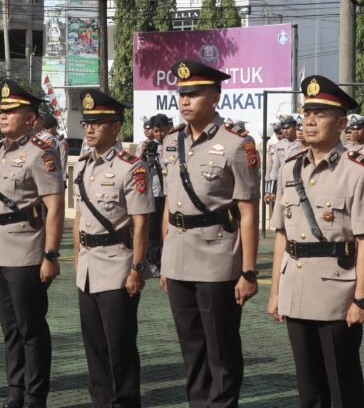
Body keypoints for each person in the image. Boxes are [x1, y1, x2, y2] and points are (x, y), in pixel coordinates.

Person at [267, 75, 364, 408]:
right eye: (307, 114)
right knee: (309, 390)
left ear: (342, 123)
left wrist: (361, 299)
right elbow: (281, 237)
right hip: (296, 288)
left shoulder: (360, 170)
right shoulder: (291, 168)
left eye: (321, 114)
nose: (311, 121)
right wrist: (276, 292)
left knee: (341, 388)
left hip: (337, 293)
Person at [159, 59, 261, 407]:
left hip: (218, 256)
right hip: (178, 255)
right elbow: (169, 205)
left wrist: (248, 271)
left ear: (215, 98)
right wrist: (164, 257)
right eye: (182, 94)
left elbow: (248, 211)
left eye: (195, 94)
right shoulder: (170, 142)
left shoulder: (237, 144)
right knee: (191, 347)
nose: (185, 101)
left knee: (221, 348)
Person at [0, 80, 65, 408]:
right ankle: (15, 390)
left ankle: (34, 395)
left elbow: (55, 206)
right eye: (2, 111)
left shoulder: (41, 154)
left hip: (27, 250)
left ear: (30, 118)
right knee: (10, 329)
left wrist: (50, 254)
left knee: (31, 329)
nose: (4, 116)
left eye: (12, 111)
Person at [72, 89, 154, 407]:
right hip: (89, 265)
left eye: (98, 122)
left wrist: (137, 267)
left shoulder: (131, 167)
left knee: (118, 343)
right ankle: (101, 400)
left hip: (118, 264)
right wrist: (78, 257)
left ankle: (124, 401)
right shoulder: (82, 167)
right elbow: (79, 217)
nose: (90, 129)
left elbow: (141, 222)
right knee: (94, 344)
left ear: (116, 126)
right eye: (87, 122)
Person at [136, 113, 167, 277]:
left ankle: (167, 261)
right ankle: (154, 263)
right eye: (156, 131)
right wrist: (142, 153)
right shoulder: (146, 145)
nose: (158, 135)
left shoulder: (174, 144)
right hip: (153, 193)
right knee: (153, 231)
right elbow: (136, 167)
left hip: (170, 194)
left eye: (161, 130)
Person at [264, 116, 296, 204]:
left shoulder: (300, 144)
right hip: (279, 185)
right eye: (276, 133)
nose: (279, 135)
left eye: (287, 128)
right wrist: (270, 190)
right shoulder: (276, 147)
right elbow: (272, 170)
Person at [41, 115, 69, 180]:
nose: (46, 131)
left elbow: (63, 160)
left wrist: (63, 179)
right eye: (45, 128)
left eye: (48, 128)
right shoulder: (44, 138)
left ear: (55, 126)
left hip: (56, 176)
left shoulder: (61, 141)